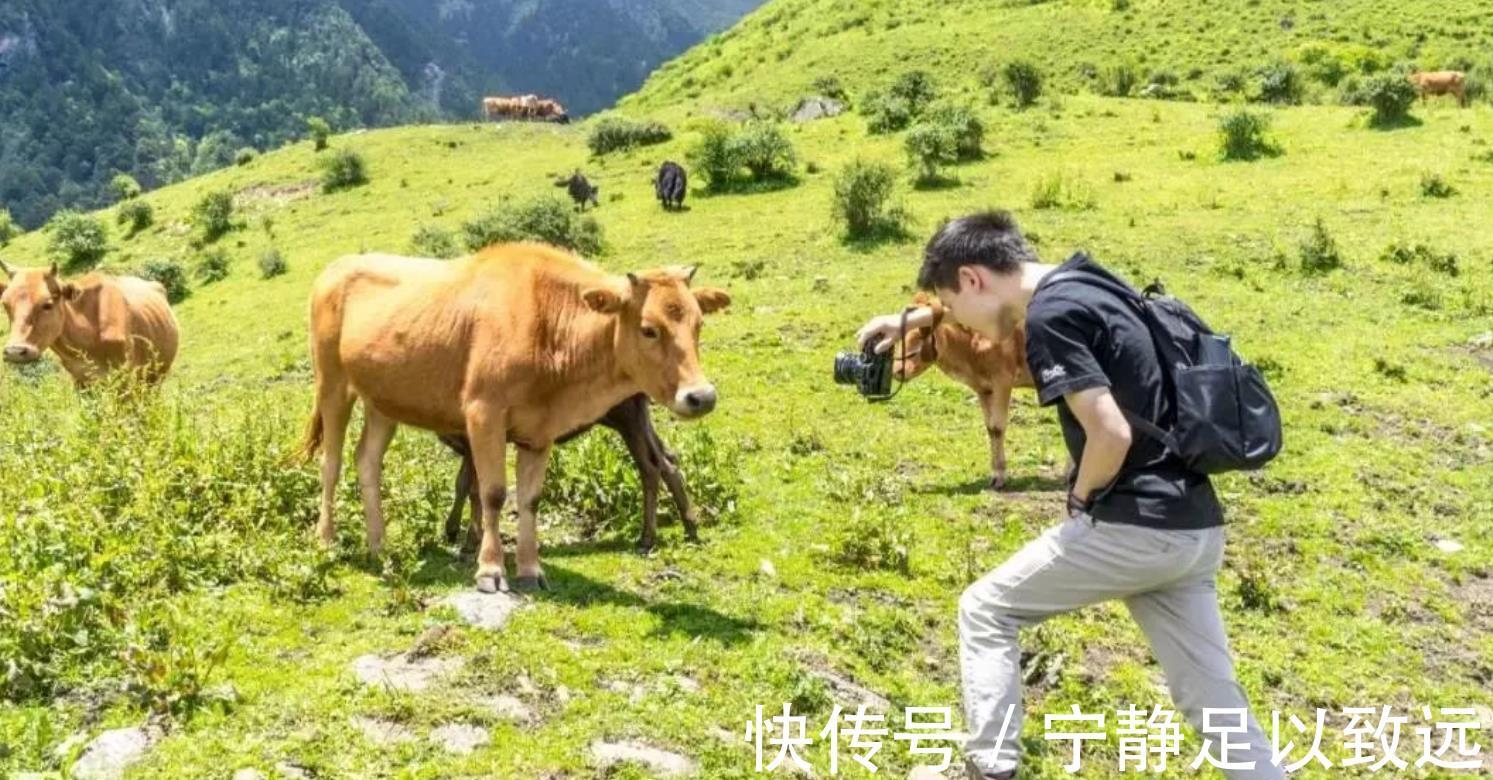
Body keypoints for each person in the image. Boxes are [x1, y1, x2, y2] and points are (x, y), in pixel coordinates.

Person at [857, 211, 1282, 780]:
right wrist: (911, 315)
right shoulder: (1090, 281)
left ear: (975, 278)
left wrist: (1081, 500)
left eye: (956, 308)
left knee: (986, 610)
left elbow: (1110, 432)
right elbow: (997, 305)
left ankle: (989, 767)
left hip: (1134, 523)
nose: (969, 329)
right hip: (1193, 526)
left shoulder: (1054, 315)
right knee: (1214, 703)